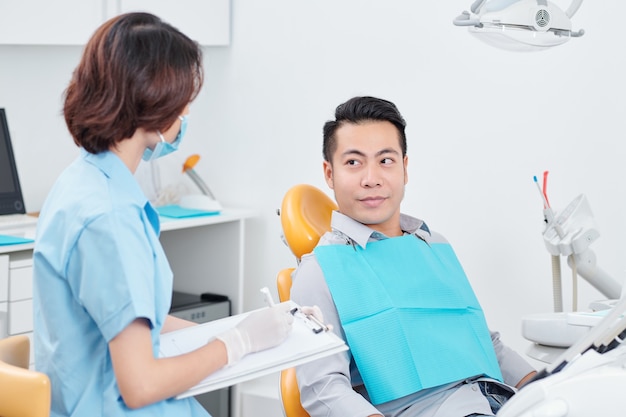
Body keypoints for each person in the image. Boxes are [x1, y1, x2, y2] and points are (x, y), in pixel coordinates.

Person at [32, 12, 294, 417]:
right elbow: (140, 385)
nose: (187, 109)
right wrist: (236, 344)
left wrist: (241, 328)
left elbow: (134, 320)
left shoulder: (83, 182)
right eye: (184, 96)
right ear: (155, 99)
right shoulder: (110, 218)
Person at [290, 96, 537, 417]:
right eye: (353, 162)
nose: (371, 178)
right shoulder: (320, 271)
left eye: (385, 160)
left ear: (405, 168)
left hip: (499, 401)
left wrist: (546, 388)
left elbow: (486, 344)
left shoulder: (435, 246)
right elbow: (322, 388)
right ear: (329, 173)